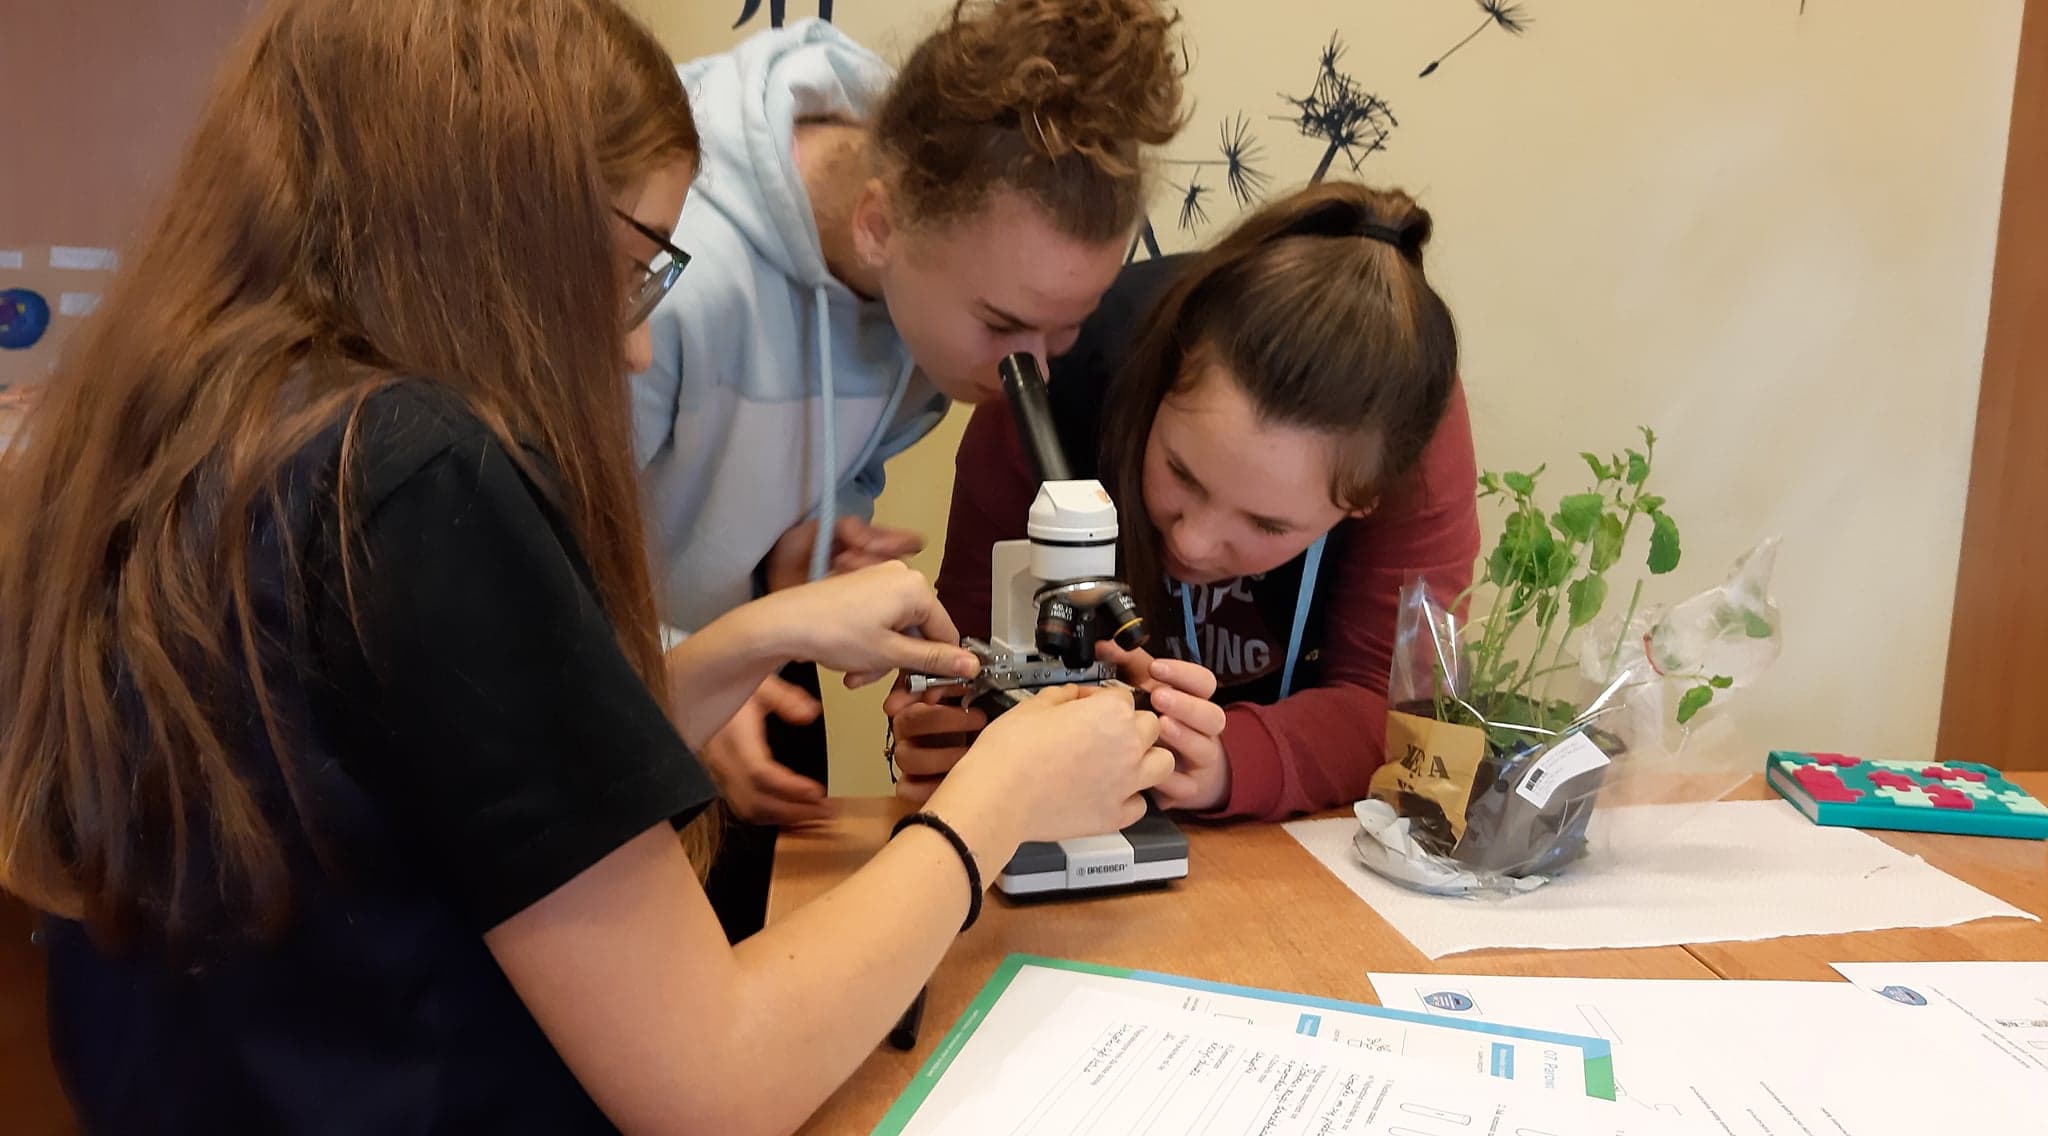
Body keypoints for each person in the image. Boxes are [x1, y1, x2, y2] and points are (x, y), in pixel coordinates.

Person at [0, 2, 1168, 1131]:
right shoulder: (413, 473)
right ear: (491, 228)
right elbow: (717, 1081)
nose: (637, 345)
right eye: (630, 269)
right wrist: (999, 795)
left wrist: (751, 636)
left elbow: (457, 790)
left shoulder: (218, 427)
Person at [632, 0, 1186, 934]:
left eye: (1067, 328)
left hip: (750, 676)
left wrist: (801, 545)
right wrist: (675, 674)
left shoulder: (938, 274)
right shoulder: (680, 273)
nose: (1032, 371)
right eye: (1004, 325)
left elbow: (816, 455)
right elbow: (522, 552)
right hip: (595, 677)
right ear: (878, 223)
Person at [890, 182, 1481, 821]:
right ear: (1164, 375)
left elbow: (1398, 708)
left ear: (1367, 497)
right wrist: (946, 731)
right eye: (1181, 472)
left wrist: (1233, 760)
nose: (1192, 541)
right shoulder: (1055, 381)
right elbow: (962, 642)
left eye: (1266, 523)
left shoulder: (1406, 437)